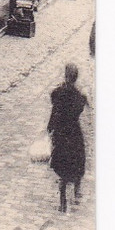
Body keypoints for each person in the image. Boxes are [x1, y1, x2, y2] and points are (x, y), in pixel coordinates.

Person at [47, 63, 87, 213]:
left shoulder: (59, 93)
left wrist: (50, 127)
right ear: (76, 77)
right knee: (77, 160)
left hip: (62, 132)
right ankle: (77, 190)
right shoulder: (78, 95)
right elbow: (80, 106)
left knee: (63, 165)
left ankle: (63, 201)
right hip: (74, 132)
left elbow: (54, 108)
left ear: (65, 75)